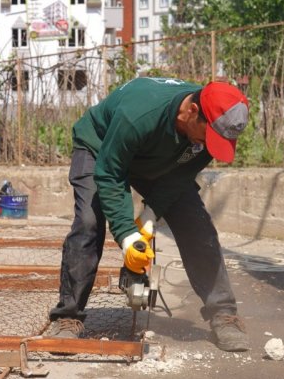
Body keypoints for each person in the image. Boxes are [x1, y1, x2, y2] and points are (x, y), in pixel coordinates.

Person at [47, 77, 253, 352]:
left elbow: (180, 176)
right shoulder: (139, 114)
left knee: (197, 225)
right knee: (89, 221)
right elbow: (110, 172)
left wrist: (151, 214)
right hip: (101, 148)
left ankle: (224, 313)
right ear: (191, 111)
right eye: (209, 136)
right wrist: (127, 236)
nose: (209, 144)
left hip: (157, 159)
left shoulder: (208, 132)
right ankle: (68, 317)